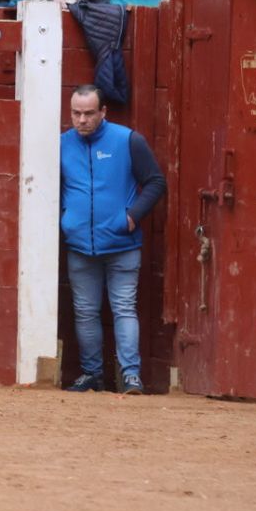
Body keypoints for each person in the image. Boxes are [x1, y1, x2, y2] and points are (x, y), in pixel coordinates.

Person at [60, 84, 165, 395]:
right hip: (79, 244)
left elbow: (156, 182)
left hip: (122, 243)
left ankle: (130, 375)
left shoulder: (128, 140)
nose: (82, 120)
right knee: (85, 311)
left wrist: (131, 217)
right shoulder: (61, 144)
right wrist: (66, 221)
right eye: (76, 114)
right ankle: (92, 373)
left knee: (123, 308)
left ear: (103, 112)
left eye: (89, 114)